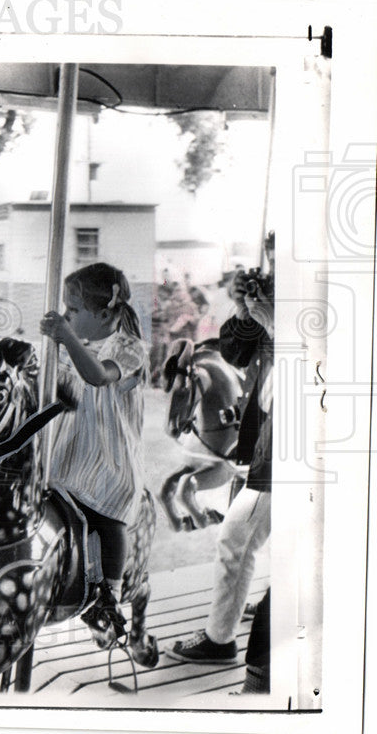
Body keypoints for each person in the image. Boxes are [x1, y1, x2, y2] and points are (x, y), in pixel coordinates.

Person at [167, 238, 274, 686]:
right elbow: (236, 353)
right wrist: (246, 314)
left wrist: (274, 321)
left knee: (236, 538)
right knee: (246, 539)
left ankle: (220, 638)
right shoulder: (280, 298)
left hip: (295, 445)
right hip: (271, 440)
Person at [40, 262, 149, 637]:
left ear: (104, 314)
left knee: (107, 515)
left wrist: (65, 336)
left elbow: (99, 376)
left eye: (74, 310)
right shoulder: (78, 347)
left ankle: (110, 598)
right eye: (67, 310)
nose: (68, 316)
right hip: (72, 452)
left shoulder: (129, 348)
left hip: (110, 460)